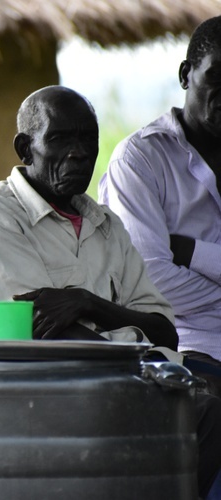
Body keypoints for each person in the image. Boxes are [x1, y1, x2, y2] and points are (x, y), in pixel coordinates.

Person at [0, 85, 221, 498]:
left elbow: (165, 330)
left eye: (87, 140)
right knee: (208, 412)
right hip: (54, 388)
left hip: (138, 374)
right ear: (26, 148)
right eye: (60, 139)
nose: (78, 152)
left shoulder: (107, 224)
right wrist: (131, 342)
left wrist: (86, 303)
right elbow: (41, 333)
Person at [99, 15, 221, 378]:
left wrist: (192, 252)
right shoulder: (140, 160)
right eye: (217, 75)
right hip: (186, 347)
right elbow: (148, 280)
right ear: (186, 75)